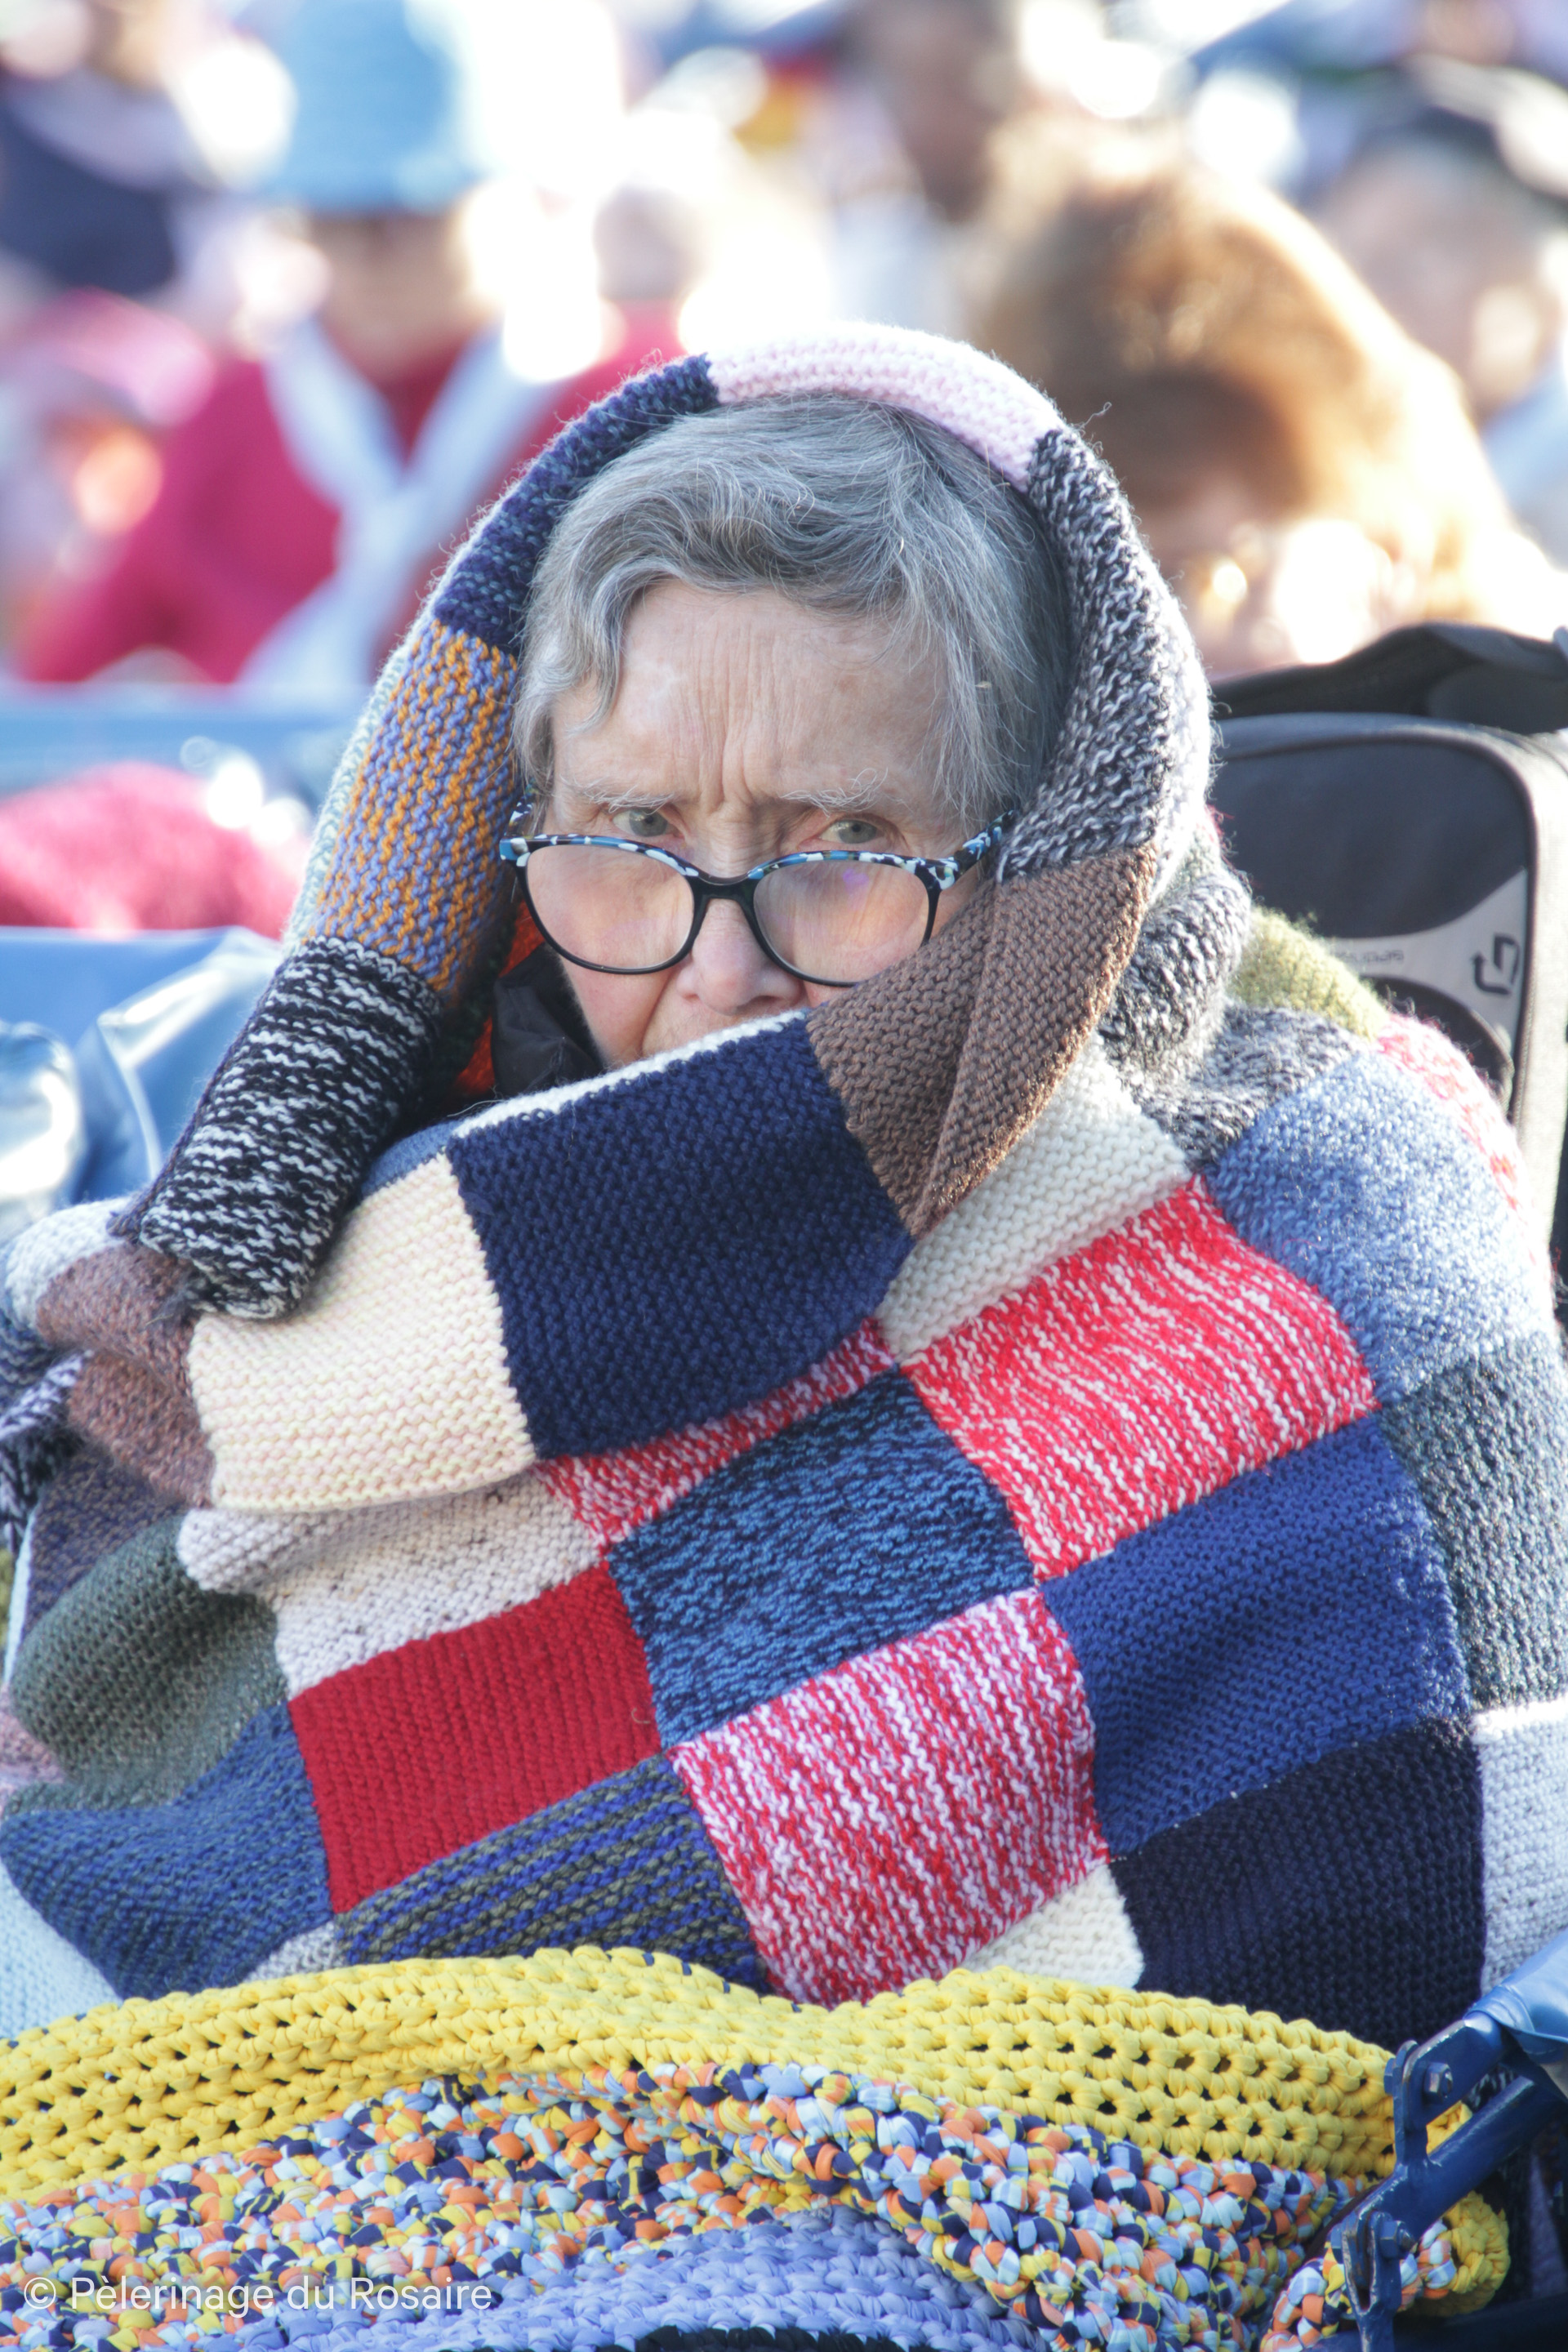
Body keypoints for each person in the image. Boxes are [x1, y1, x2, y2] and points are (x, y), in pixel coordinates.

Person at [1, 324, 1564, 2315]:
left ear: (1038, 842)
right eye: (630, 841)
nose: (720, 967)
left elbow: (1413, 1881)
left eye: (841, 854)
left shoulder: (1317, 1209)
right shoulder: (394, 1234)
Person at [16, 0, 675, 693]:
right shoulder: (235, 413)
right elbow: (58, 692)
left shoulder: (637, 407)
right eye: (329, 215)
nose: (363, 253)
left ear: (526, 190)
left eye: (410, 212)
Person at [978, 140, 1562, 673]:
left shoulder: (1509, 691)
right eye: (1081, 598)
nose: (1161, 648)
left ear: (1388, 559)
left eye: (1199, 579)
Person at [1316, 76, 1568, 564]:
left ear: (1545, 282)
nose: (1371, 294)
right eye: (1350, 257)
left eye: (1417, 258)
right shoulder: (1337, 456)